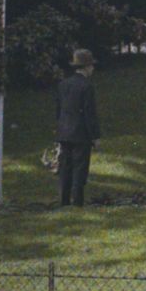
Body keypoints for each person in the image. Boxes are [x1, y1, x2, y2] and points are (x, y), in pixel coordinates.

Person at [54, 48, 101, 207]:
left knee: (65, 167)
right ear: (87, 67)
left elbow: (59, 110)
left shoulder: (63, 85)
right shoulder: (86, 86)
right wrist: (95, 136)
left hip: (64, 131)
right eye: (91, 66)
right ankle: (77, 201)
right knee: (80, 168)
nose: (93, 69)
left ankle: (64, 200)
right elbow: (89, 113)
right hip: (81, 133)